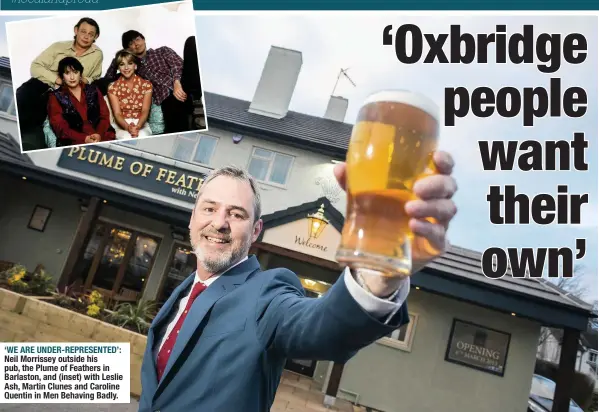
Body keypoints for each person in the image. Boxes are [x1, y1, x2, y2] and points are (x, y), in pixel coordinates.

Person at [137, 152, 458, 412]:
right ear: (193, 218)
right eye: (209, 209)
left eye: (236, 214)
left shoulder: (267, 295)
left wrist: (380, 272)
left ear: (256, 231)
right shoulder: (181, 294)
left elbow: (323, 327)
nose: (219, 223)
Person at [16, 17, 103, 150]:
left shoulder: (97, 54)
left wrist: (87, 80)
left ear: (95, 36)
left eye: (91, 34)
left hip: (68, 93)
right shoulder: (58, 47)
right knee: (24, 96)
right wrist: (56, 80)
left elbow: (96, 76)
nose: (86, 37)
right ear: (76, 30)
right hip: (44, 84)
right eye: (83, 32)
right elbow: (36, 66)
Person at [98, 31, 203, 134]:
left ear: (143, 40)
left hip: (182, 83)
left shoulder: (162, 51)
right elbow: (108, 79)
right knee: (174, 120)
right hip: (166, 98)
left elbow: (177, 65)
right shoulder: (133, 69)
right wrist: (120, 56)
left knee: (191, 42)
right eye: (131, 44)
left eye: (137, 39)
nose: (136, 44)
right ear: (128, 49)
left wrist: (176, 82)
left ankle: (195, 94)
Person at [47, 57, 115, 146]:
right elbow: (59, 127)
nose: (72, 77)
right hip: (74, 140)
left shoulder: (93, 90)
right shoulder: (55, 96)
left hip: (101, 135)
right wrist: (84, 138)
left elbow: (104, 115)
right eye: (67, 73)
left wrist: (99, 134)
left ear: (80, 74)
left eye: (75, 72)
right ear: (62, 76)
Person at [106, 50, 153, 140]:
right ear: (119, 68)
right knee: (126, 138)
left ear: (135, 66)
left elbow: (145, 111)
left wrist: (137, 127)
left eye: (130, 63)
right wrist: (128, 128)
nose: (126, 67)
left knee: (143, 136)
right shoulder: (113, 87)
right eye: (122, 64)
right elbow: (117, 113)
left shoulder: (147, 85)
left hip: (141, 123)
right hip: (121, 124)